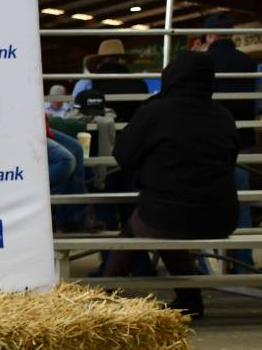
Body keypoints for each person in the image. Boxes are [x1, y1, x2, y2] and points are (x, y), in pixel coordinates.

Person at [103, 51, 240, 318]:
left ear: (171, 77)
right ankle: (189, 300)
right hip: (222, 214)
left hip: (166, 213)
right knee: (165, 227)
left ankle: (100, 295)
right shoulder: (223, 115)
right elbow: (231, 159)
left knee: (140, 229)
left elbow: (123, 155)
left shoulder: (154, 111)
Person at [194, 12, 260, 271]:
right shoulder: (248, 63)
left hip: (207, 143)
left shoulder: (202, 62)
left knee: (203, 203)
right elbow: (253, 104)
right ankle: (244, 263)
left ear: (209, 36)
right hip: (241, 140)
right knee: (240, 203)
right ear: (231, 34)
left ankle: (207, 266)